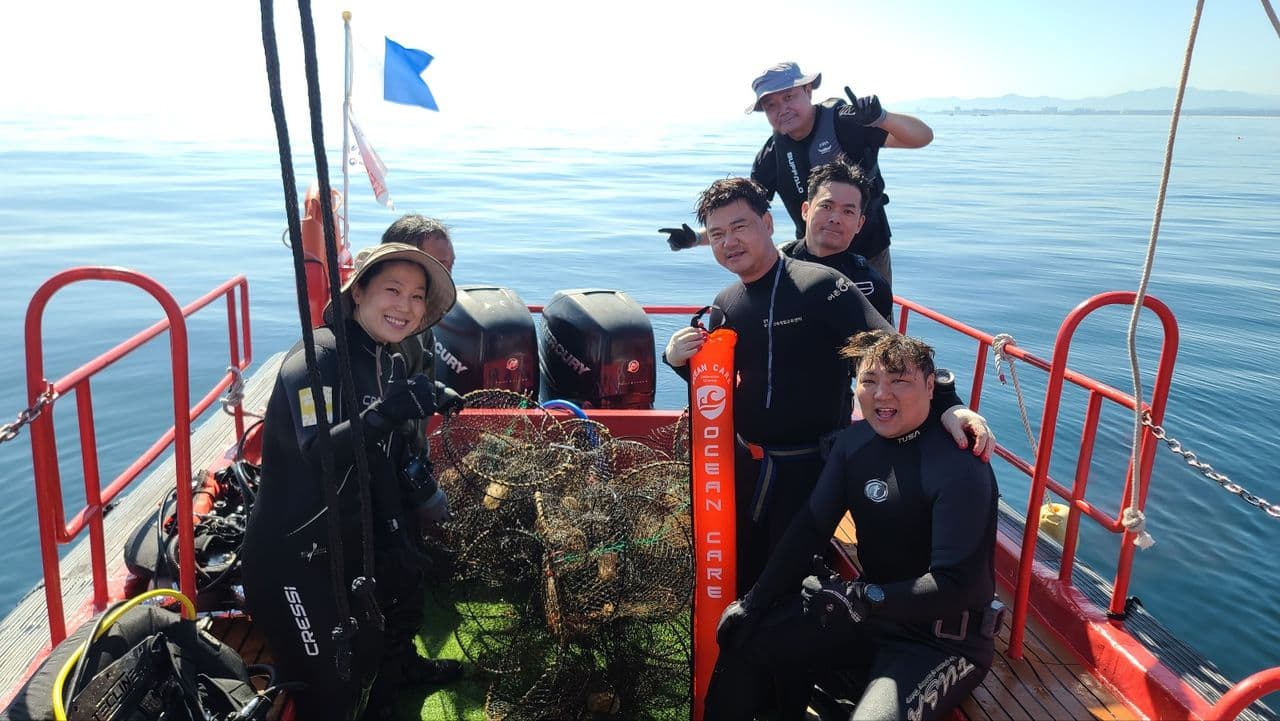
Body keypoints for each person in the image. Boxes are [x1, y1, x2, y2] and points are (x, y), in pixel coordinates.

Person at [662, 177, 990, 594]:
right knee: (740, 569)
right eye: (719, 233)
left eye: (740, 227)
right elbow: (718, 388)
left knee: (787, 577)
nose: (729, 242)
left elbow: (892, 350)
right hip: (745, 462)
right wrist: (676, 361)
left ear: (768, 223)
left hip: (810, 465)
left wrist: (949, 404)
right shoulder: (727, 303)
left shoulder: (821, 286)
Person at [706, 330, 999, 721]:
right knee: (746, 641)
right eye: (869, 381)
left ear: (932, 387)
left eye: (900, 381)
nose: (882, 395)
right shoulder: (854, 446)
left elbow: (958, 585)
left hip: (942, 641)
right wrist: (754, 602)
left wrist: (863, 597)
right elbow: (809, 529)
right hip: (870, 619)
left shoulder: (960, 463)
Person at [241, 243, 465, 719]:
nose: (405, 306)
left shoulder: (391, 360)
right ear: (358, 292)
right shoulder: (318, 359)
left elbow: (382, 453)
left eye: (418, 296)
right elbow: (318, 450)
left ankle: (397, 681)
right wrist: (388, 411)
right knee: (329, 692)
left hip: (345, 547)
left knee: (374, 647)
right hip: (292, 563)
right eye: (392, 289)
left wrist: (416, 502)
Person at [661, 62, 933, 285]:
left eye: (789, 97)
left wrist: (880, 117)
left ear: (808, 91)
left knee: (876, 339)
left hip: (869, 253)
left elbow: (922, 137)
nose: (782, 109)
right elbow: (746, 219)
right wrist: (696, 238)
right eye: (771, 105)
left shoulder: (845, 121)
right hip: (813, 261)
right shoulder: (772, 157)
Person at [781, 157, 893, 322]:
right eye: (826, 206)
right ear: (805, 211)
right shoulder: (773, 266)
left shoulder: (872, 287)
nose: (835, 218)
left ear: (859, 224)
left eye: (848, 212)